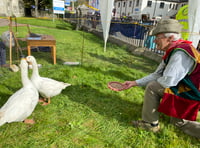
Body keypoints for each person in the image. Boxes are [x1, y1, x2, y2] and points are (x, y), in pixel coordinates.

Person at [122, 19, 200, 139]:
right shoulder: (177, 49)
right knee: (177, 123)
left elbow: (168, 81)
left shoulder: (179, 53)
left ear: (170, 38)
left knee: (153, 86)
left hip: (192, 93)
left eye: (158, 37)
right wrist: (134, 83)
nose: (154, 40)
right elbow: (158, 74)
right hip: (189, 89)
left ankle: (150, 124)